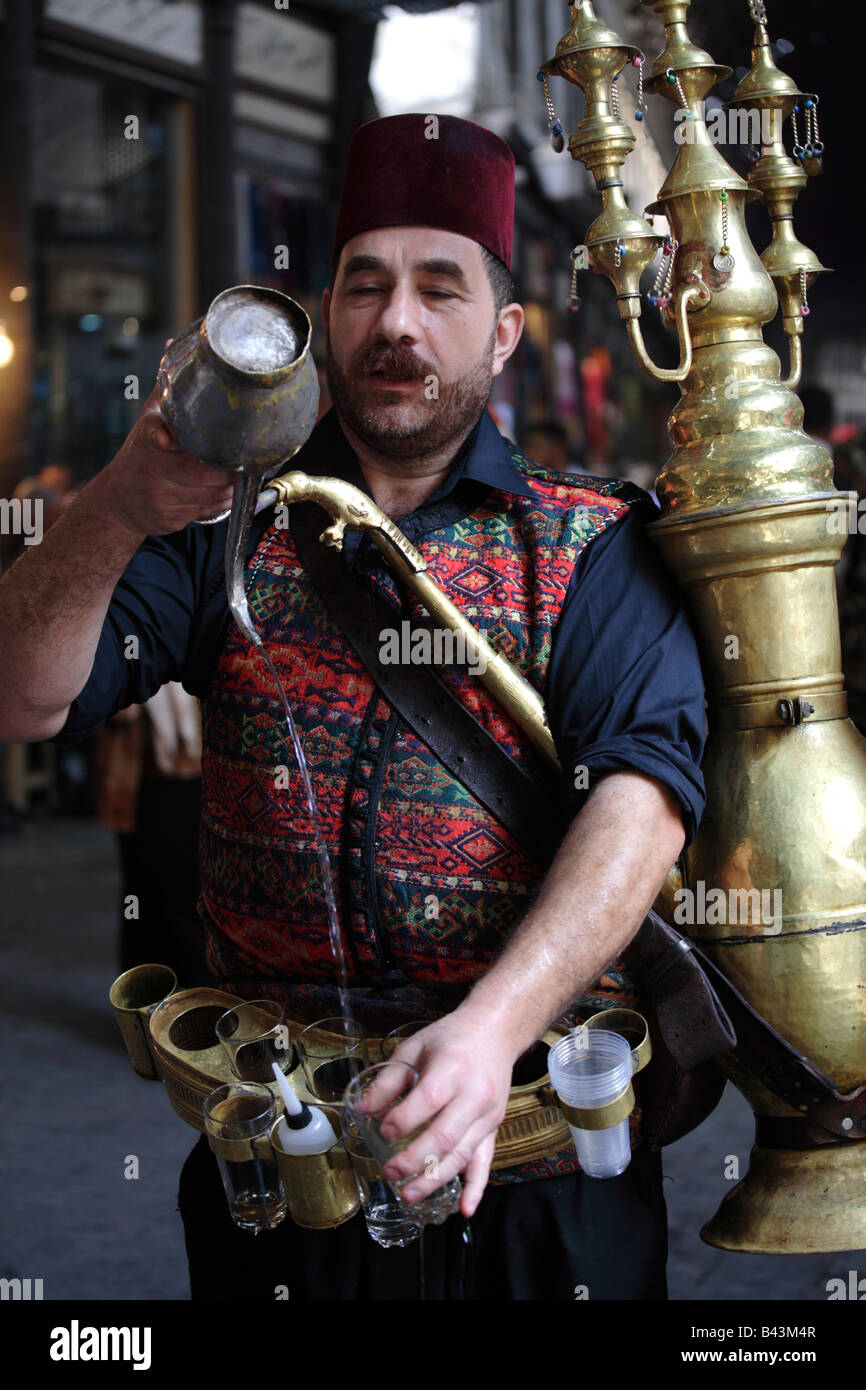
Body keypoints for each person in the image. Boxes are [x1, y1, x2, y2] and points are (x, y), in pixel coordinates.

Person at [0, 114, 706, 1301]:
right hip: (281, 1154)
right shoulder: (222, 527)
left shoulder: (591, 545)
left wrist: (490, 1029)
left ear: (506, 332)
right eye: (366, 285)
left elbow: (642, 798)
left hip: (535, 1154)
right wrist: (121, 502)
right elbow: (21, 699)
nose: (397, 322)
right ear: (325, 317)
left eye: (440, 288)